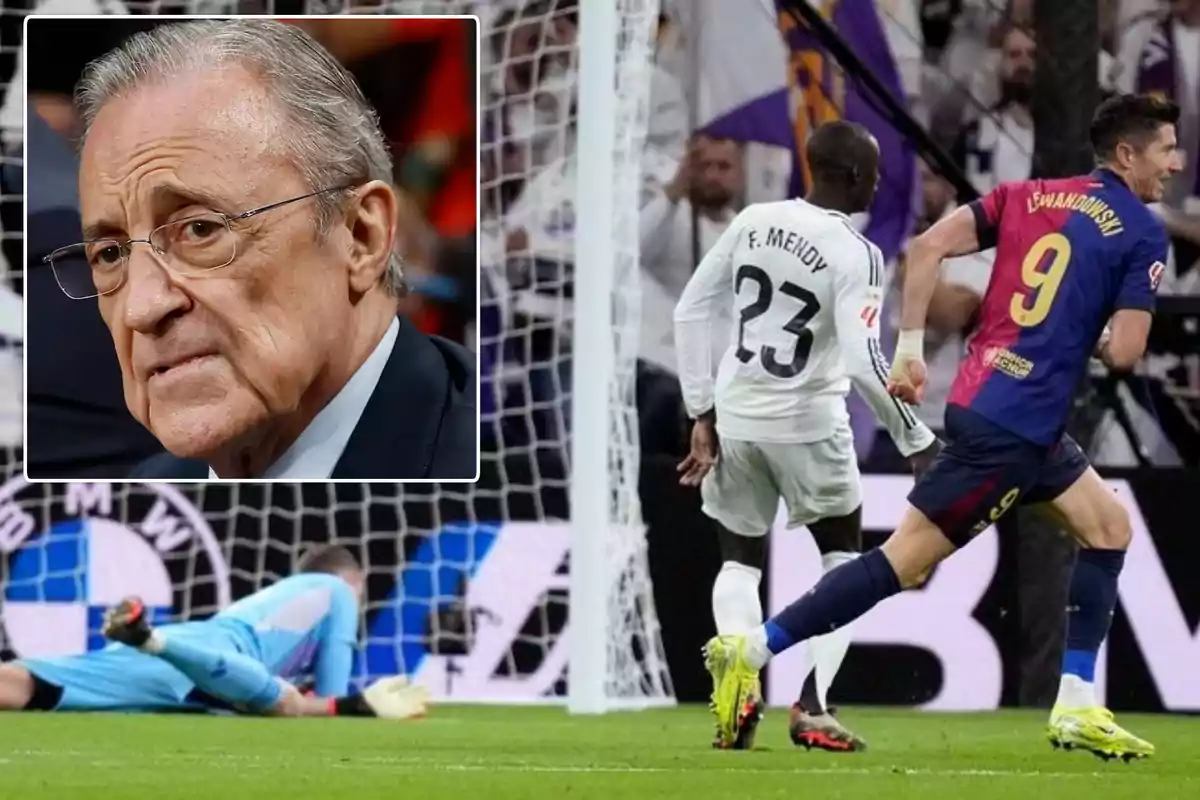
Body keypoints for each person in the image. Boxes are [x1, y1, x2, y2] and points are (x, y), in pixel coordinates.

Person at [703, 94, 1182, 761]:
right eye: (1165, 149)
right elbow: (1127, 354)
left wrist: (909, 347)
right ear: (1127, 155)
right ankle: (749, 651)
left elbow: (927, 247)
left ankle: (1076, 703)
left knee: (1109, 527)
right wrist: (1095, 335)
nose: (1176, 163)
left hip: (992, 403)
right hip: (1015, 426)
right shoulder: (1139, 230)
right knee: (899, 562)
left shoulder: (1028, 195)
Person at [39, 18, 475, 480]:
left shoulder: (519, 480)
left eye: (201, 229)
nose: (140, 308)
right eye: (110, 254)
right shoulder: (130, 508)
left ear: (361, 236)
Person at [673, 120, 939, 751]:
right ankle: (814, 703)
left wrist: (700, 410)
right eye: (873, 173)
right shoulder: (858, 252)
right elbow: (860, 360)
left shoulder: (752, 221)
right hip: (810, 425)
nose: (878, 184)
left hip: (736, 417)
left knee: (737, 559)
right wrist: (916, 439)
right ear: (851, 176)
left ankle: (736, 689)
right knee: (843, 559)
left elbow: (691, 310)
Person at [0, 544, 428, 719]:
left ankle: (149, 640)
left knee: (36, 686)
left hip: (194, 669)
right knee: (277, 698)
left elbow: (313, 703)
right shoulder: (337, 590)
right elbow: (332, 689)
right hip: (208, 657)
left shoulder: (289, 604)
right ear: (358, 580)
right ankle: (150, 639)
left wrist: (347, 705)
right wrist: (352, 704)